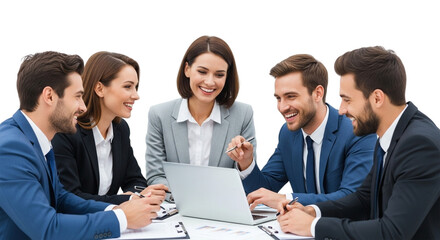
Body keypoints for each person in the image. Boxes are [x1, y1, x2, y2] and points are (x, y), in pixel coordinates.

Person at [277, 46, 440, 239]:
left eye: (347, 100)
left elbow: (392, 232)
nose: (341, 110)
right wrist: (313, 210)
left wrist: (314, 226)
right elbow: (363, 198)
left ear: (377, 98)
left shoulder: (418, 145)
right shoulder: (390, 134)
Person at [0, 51, 165, 239]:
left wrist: (118, 208)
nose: (83, 107)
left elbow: (61, 198)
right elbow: (47, 229)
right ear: (49, 96)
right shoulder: (10, 148)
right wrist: (121, 218)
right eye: (77, 96)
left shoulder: (37, 139)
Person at [227, 54, 376, 208]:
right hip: (296, 230)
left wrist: (286, 198)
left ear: (318, 93)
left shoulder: (357, 132)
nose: (282, 107)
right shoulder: (288, 133)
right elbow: (263, 192)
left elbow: (352, 197)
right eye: (278, 98)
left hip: (341, 229)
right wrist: (246, 163)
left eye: (291, 96)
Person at [145, 36, 256, 200]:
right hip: (176, 210)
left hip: (222, 210)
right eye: (202, 72)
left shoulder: (243, 114)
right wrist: (190, 199)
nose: (210, 82)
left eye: (219, 74)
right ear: (187, 69)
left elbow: (247, 183)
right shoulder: (159, 115)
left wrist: (245, 162)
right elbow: (156, 177)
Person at [52, 51, 167, 205]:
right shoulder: (67, 132)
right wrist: (128, 199)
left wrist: (140, 194)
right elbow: (71, 197)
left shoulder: (120, 129)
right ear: (99, 88)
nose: (136, 95)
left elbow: (135, 179)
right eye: (128, 87)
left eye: (136, 87)